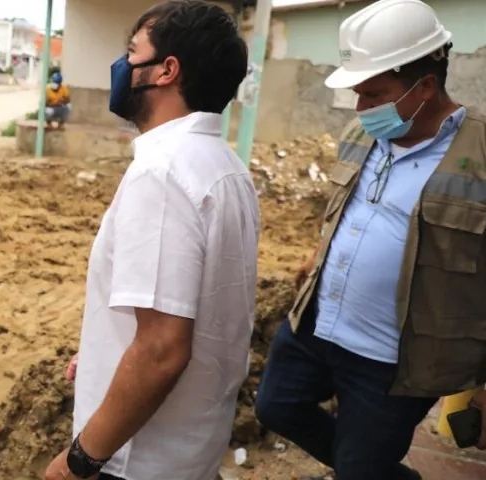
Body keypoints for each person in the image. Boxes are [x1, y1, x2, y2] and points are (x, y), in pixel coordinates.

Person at [254, 1, 486, 479]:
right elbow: (348, 212)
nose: (361, 109)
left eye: (373, 94)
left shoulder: (479, 156)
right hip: (317, 324)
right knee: (275, 407)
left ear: (425, 87)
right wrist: (321, 252)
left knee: (361, 468)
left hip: (392, 362)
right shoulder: (358, 135)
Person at [44, 1, 257, 479]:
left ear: (166, 70)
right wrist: (106, 346)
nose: (121, 65)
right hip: (191, 448)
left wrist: (79, 461)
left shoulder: (161, 174)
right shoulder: (226, 168)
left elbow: (162, 349)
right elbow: (193, 306)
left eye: (131, 51)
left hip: (138, 460)